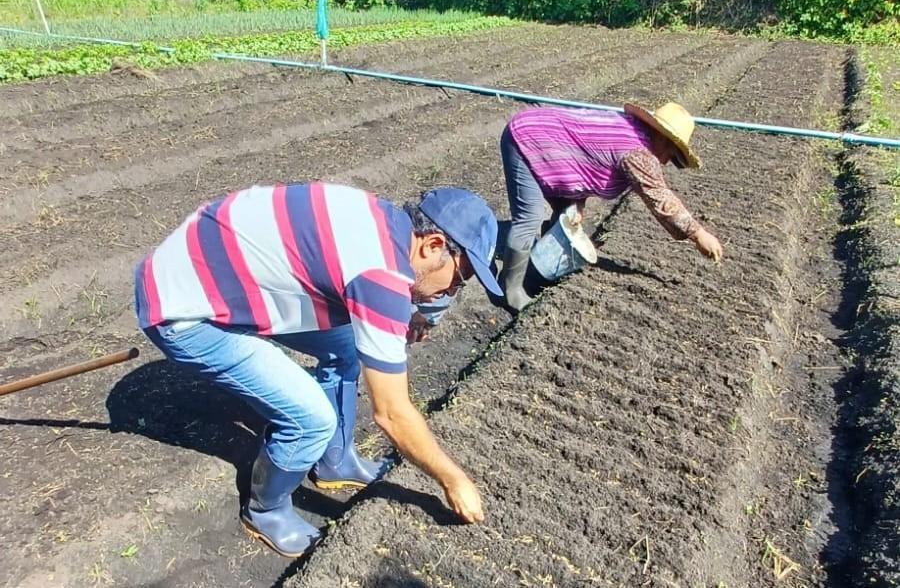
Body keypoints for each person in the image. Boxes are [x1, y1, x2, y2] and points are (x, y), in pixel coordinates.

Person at [134, 182, 503, 557]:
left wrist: (404, 316)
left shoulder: (387, 224)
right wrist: (453, 479)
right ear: (433, 245)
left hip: (219, 266)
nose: (450, 291)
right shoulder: (380, 275)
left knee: (344, 349)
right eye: (460, 278)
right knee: (311, 420)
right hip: (181, 307)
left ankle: (335, 462)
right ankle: (267, 511)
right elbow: (392, 414)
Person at [498, 101, 724, 310]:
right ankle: (511, 292)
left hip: (543, 139)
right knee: (529, 218)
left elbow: (585, 157)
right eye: (671, 156)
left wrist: (578, 203)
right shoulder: (637, 153)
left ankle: (537, 271)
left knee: (565, 216)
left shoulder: (631, 132)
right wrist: (698, 233)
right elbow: (660, 196)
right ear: (663, 138)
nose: (665, 162)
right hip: (526, 139)